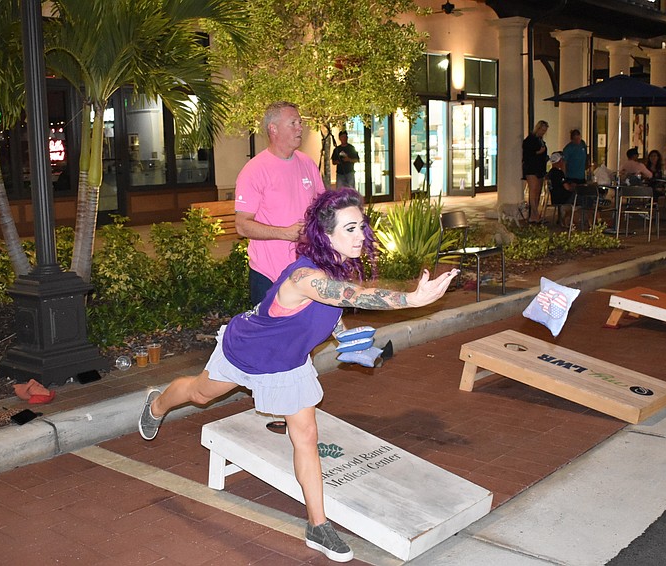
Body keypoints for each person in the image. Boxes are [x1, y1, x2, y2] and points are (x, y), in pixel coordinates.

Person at [138, 188, 460, 563]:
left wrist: (346, 338)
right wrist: (412, 299)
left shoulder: (340, 268)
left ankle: (317, 525)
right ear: (326, 235)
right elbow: (351, 297)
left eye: (362, 227)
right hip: (248, 351)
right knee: (200, 394)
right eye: (351, 228)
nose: (361, 236)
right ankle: (157, 403)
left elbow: (334, 305)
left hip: (288, 362)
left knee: (305, 435)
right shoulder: (306, 276)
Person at [235, 102, 327, 306]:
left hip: (307, 270)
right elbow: (242, 225)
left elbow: (324, 211)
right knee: (270, 336)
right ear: (273, 129)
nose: (300, 127)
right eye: (293, 123)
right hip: (268, 275)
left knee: (307, 335)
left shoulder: (308, 164)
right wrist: (285, 233)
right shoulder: (254, 171)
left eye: (300, 122)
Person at [522, 120, 549, 223]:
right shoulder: (530, 140)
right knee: (533, 191)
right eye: (542, 130)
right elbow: (527, 154)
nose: (543, 132)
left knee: (538, 191)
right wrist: (538, 152)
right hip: (531, 168)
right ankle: (534, 213)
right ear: (538, 128)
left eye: (545, 131)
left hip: (540, 168)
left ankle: (533, 215)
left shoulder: (540, 140)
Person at [546, 152, 577, 225]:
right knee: (579, 196)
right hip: (563, 198)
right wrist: (574, 187)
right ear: (559, 161)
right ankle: (568, 218)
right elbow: (567, 188)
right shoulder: (559, 173)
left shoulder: (550, 173)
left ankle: (563, 219)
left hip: (554, 198)